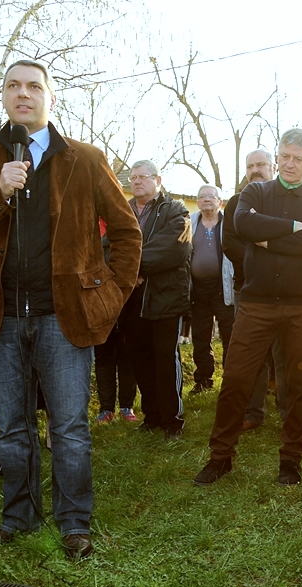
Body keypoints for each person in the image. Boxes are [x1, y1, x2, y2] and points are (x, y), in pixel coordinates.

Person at [0, 60, 142, 559]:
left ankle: (74, 522)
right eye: (13, 86)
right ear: (3, 96)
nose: (23, 94)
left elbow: (126, 232)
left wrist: (111, 294)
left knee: (70, 428)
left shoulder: (85, 159)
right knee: (11, 427)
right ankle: (19, 518)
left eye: (34, 86)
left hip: (64, 317)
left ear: (50, 98)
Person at [194, 128, 302, 487]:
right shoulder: (256, 191)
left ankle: (291, 459)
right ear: (277, 156)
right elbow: (242, 224)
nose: (290, 164)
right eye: (285, 157)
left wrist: (266, 239)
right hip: (256, 302)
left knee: (299, 383)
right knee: (237, 378)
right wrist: (293, 230)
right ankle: (220, 456)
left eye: (299, 160)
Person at [122, 160, 190, 438]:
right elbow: (107, 247)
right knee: (139, 358)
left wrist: (129, 267)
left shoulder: (176, 210)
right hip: (131, 298)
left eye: (143, 177)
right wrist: (129, 274)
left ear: (158, 180)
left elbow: (173, 249)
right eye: (133, 177)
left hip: (165, 297)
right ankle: (151, 416)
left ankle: (172, 420)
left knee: (165, 358)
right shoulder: (122, 210)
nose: (137, 181)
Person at [222, 149, 287, 431]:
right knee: (254, 354)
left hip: (286, 288)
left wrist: (266, 248)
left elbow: (294, 239)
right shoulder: (236, 203)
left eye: (261, 164)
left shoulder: (285, 200)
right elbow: (230, 244)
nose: (255, 170)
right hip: (248, 289)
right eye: (250, 166)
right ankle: (253, 412)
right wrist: (264, 254)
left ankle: (288, 410)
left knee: (285, 354)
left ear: (273, 166)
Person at [188, 183, 234, 395]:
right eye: (202, 196)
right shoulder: (189, 223)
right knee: (200, 335)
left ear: (220, 202)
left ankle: (230, 378)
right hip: (197, 289)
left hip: (223, 287)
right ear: (197, 201)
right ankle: (203, 379)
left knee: (229, 332)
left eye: (211, 196)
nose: (207, 199)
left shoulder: (229, 224)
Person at [93, 216, 137, 423]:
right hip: (100, 306)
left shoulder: (127, 236)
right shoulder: (91, 238)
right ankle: (106, 408)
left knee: (127, 358)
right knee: (103, 358)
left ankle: (127, 407)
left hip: (127, 306)